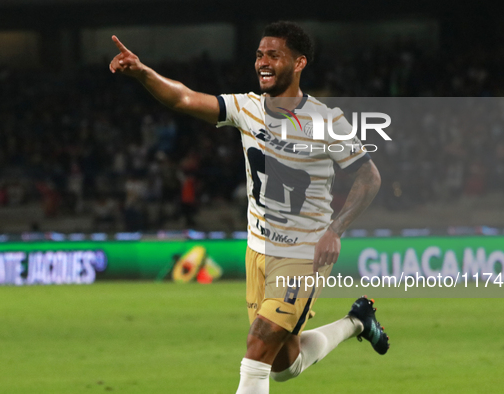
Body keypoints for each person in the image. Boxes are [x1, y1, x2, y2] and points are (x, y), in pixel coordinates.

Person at [110, 21, 389, 394]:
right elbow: (183, 98)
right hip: (257, 251)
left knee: (257, 347)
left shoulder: (326, 121)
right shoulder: (246, 107)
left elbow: (369, 178)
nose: (263, 62)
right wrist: (143, 72)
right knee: (282, 365)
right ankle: (358, 321)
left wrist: (335, 230)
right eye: (259, 55)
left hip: (303, 256)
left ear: (300, 62)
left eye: (274, 55)